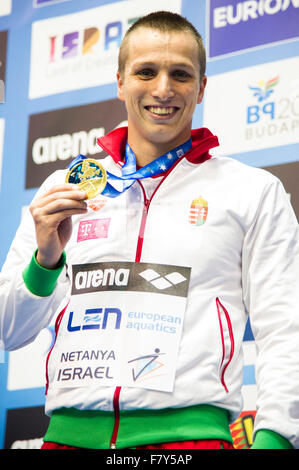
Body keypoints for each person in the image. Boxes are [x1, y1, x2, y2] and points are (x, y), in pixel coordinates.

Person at [1, 11, 299, 450]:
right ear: (120, 81)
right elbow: (11, 332)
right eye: (146, 71)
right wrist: (45, 260)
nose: (163, 89)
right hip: (66, 438)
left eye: (180, 74)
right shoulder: (64, 190)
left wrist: (275, 438)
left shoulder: (251, 191)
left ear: (200, 87)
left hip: (187, 442)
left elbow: (286, 327)